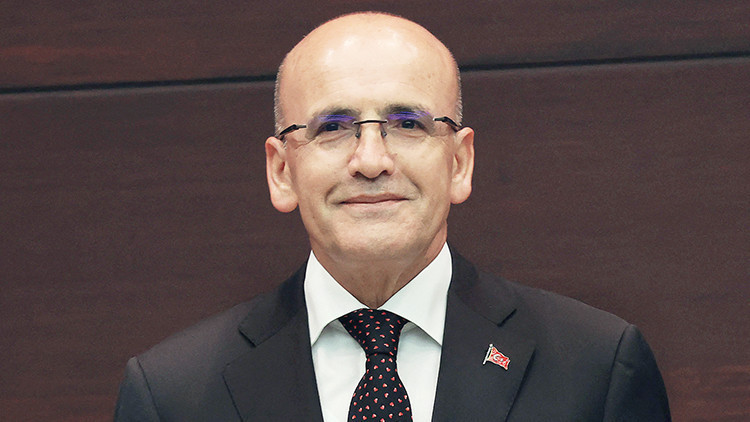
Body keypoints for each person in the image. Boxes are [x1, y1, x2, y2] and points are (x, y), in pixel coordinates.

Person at [114, 12, 670, 421]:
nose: (371, 160)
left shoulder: (595, 368)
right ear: (281, 171)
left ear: (459, 163)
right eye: (333, 128)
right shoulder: (174, 394)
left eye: (408, 124)